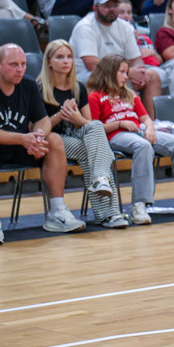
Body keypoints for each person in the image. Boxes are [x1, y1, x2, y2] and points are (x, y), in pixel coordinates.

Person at [0, 44, 88, 244]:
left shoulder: (27, 85)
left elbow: (43, 120)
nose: (20, 69)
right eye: (13, 65)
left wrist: (37, 136)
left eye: (23, 64)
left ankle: (57, 211)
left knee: (53, 139)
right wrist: (21, 138)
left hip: (22, 144)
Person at [87, 54, 174, 225]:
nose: (126, 77)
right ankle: (139, 205)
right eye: (122, 72)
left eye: (126, 72)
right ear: (109, 73)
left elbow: (145, 118)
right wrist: (120, 123)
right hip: (115, 135)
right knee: (143, 146)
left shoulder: (130, 94)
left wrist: (150, 128)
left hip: (138, 131)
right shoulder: (95, 97)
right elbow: (93, 128)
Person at [37, 39, 126, 228]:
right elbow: (36, 128)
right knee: (97, 154)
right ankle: (110, 215)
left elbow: (88, 124)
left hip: (77, 136)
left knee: (96, 128)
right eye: (60, 57)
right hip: (54, 142)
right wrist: (61, 115)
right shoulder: (40, 88)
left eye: (69, 57)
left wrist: (77, 119)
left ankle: (99, 180)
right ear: (49, 62)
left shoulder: (78, 87)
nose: (66, 61)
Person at [70, 0, 169, 117]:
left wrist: (138, 71)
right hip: (90, 75)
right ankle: (102, 125)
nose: (111, 9)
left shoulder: (125, 26)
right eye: (106, 6)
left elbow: (136, 59)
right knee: (104, 79)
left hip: (118, 73)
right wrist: (126, 72)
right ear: (95, 8)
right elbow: (92, 64)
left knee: (151, 76)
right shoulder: (85, 27)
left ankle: (151, 125)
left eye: (114, 5)